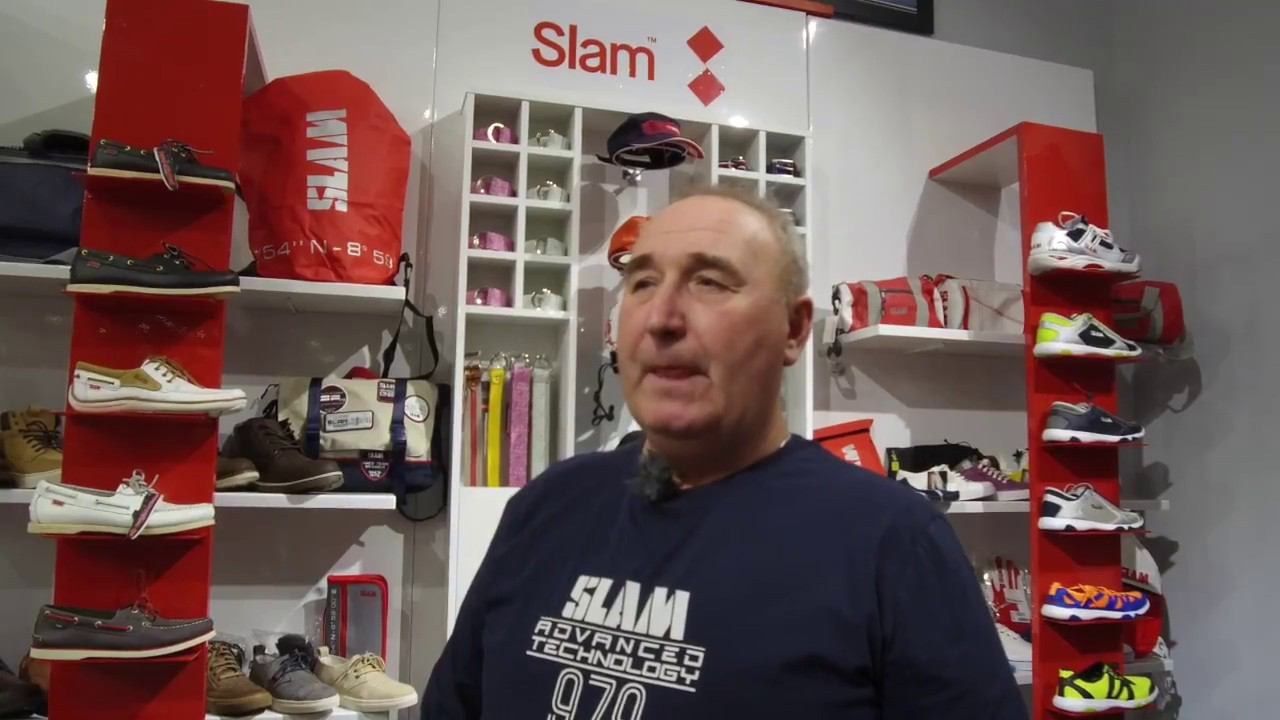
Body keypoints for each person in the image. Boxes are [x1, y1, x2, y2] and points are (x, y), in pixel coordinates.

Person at [422, 187, 1027, 719]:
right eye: (642, 282)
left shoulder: (891, 543)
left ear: (794, 329)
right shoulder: (546, 506)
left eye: (709, 282)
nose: (661, 318)